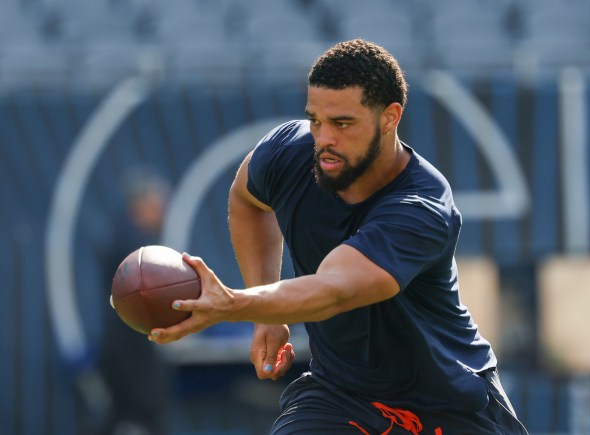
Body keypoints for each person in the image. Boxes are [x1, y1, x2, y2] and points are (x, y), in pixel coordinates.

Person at [149, 39, 529, 434]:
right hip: (342, 393)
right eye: (315, 120)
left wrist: (235, 304)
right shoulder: (288, 153)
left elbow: (333, 290)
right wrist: (264, 311)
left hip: (449, 405)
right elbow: (246, 199)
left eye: (343, 124)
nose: (323, 138)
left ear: (389, 117)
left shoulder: (422, 206)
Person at [95, 167, 174, 435]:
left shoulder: (125, 237)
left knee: (125, 414)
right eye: (158, 204)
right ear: (143, 204)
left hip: (124, 343)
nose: (163, 211)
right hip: (130, 346)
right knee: (144, 415)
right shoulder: (135, 246)